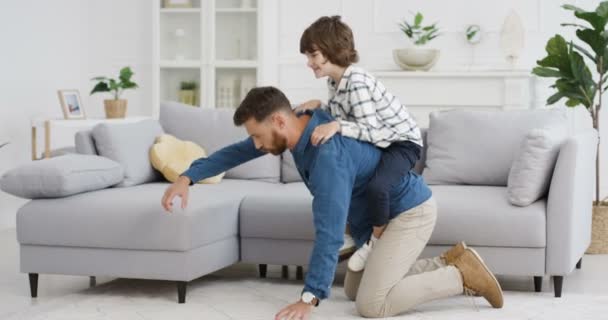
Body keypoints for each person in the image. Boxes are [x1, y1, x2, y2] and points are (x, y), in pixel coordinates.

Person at [161, 86, 503, 319]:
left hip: (408, 212)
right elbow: (236, 152)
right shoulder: (298, 121)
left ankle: (459, 275)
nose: (256, 144)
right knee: (354, 289)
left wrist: (310, 297)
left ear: (279, 121)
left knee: (372, 305)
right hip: (376, 220)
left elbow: (328, 230)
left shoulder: (327, 156)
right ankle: (449, 261)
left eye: (257, 136)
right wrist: (187, 177)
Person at [296, 16, 423, 272]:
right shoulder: (335, 82)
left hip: (401, 142)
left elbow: (372, 131)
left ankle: (375, 242)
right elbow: (341, 113)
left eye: (313, 55)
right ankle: (352, 232)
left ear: (331, 50)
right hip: (381, 141)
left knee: (377, 187)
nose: (309, 63)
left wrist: (338, 126)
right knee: (344, 179)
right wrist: (319, 106)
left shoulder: (358, 82)